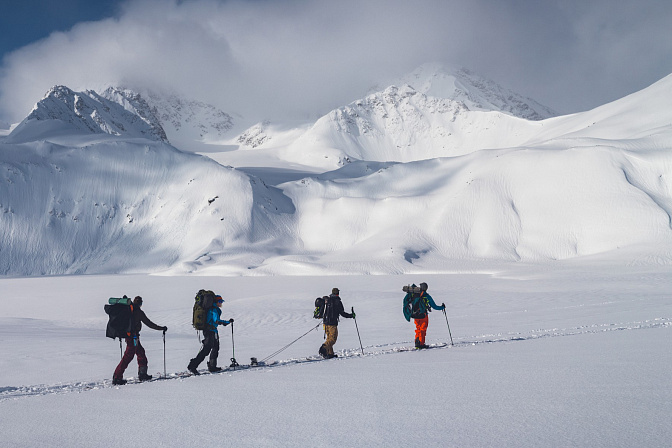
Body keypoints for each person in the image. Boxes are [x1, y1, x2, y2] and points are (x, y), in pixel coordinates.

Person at [112, 296, 167, 385]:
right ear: (140, 304)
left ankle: (142, 374)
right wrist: (161, 328)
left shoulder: (129, 310)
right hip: (132, 337)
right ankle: (117, 377)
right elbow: (149, 324)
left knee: (141, 352)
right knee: (128, 357)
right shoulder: (138, 312)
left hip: (132, 337)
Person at [188, 295, 233, 374]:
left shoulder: (214, 309)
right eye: (220, 302)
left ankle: (212, 366)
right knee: (206, 350)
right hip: (210, 331)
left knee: (215, 348)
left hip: (212, 331)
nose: (221, 303)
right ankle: (192, 366)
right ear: (215, 302)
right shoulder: (214, 310)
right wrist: (227, 322)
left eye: (221, 302)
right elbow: (216, 321)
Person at [403, 282, 445, 349]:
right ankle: (421, 344)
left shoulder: (414, 294)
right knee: (423, 329)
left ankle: (417, 342)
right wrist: (442, 307)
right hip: (423, 315)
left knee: (418, 328)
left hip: (415, 315)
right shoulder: (426, 296)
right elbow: (434, 306)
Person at [319, 288, 354, 359]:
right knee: (333, 339)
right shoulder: (337, 302)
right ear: (337, 293)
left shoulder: (327, 300)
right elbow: (342, 313)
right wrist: (351, 315)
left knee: (329, 338)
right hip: (332, 323)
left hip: (325, 323)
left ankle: (330, 353)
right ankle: (323, 349)